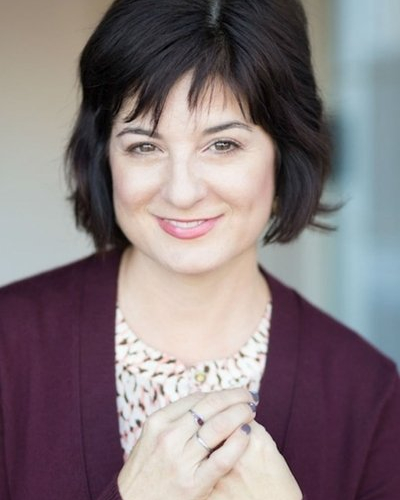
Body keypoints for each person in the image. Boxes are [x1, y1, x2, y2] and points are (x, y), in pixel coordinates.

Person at [0, 0, 399, 499]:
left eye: (223, 144)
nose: (182, 192)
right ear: (104, 158)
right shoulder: (9, 347)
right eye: (144, 146)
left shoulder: (368, 393)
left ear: (285, 152)